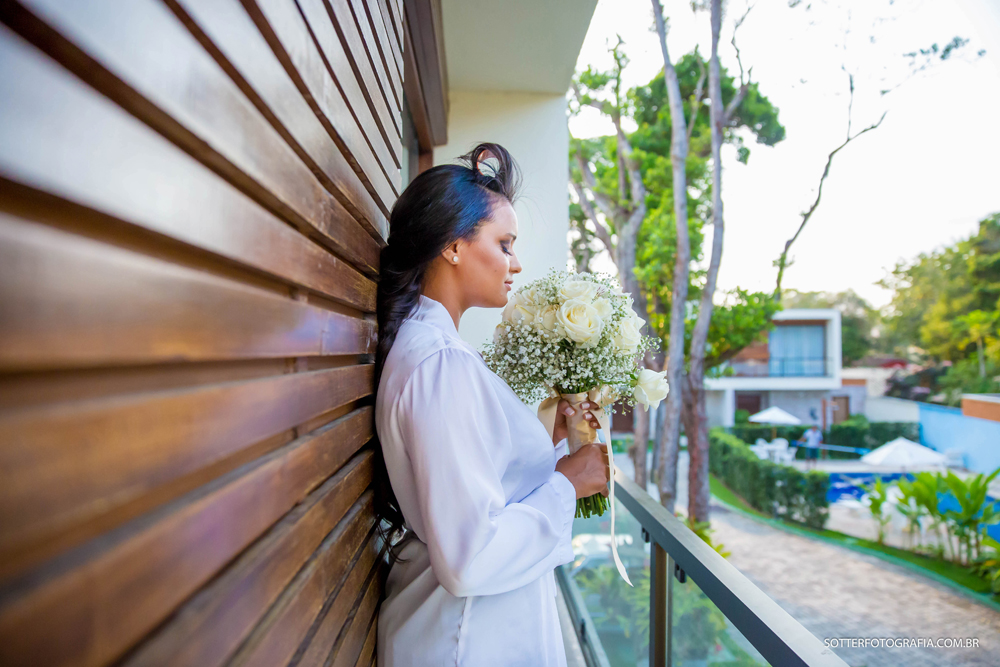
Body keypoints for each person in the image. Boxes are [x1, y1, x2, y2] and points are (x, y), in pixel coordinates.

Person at [374, 143, 611, 667]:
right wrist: (569, 483)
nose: (516, 263)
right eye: (504, 244)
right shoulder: (440, 365)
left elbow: (476, 484)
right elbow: (470, 557)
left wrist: (553, 441)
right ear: (453, 246)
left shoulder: (439, 353)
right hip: (466, 641)